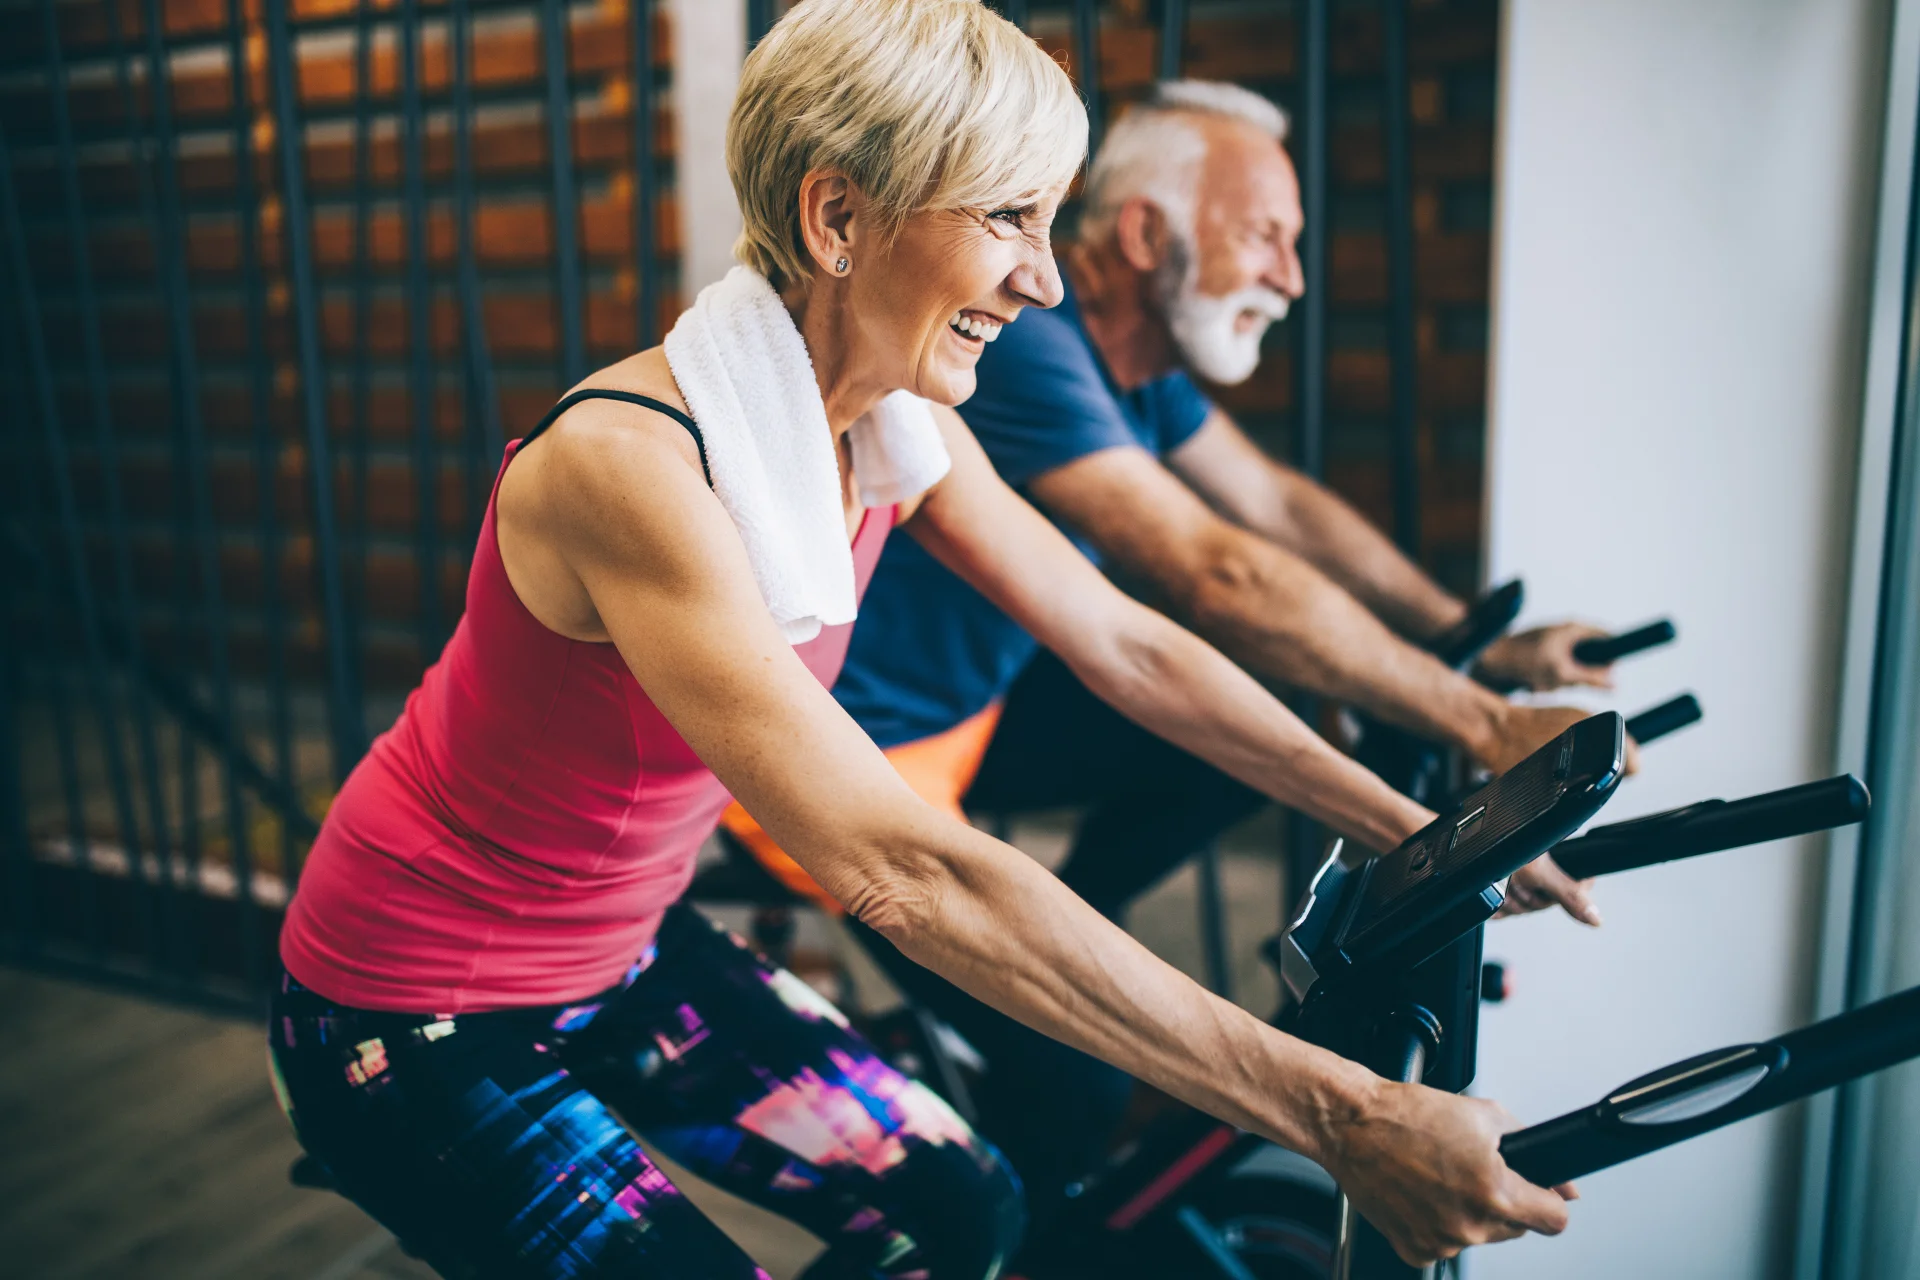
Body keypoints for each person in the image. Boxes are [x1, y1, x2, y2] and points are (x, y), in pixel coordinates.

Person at [269, 5, 1574, 1277]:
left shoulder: (892, 429)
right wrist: (1345, 1118)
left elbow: (1126, 644)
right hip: (410, 1006)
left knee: (965, 1214)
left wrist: (1422, 831)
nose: (1047, 277)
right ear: (838, 220)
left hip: (619, 947)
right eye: (1008, 216)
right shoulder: (632, 469)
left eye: (1047, 221)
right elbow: (906, 869)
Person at [722, 78, 1621, 1213]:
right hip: (847, 752)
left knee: (1244, 729)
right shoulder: (1022, 353)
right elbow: (1215, 569)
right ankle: (1040, 1163)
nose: (1292, 277)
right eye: (1265, 237)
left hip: (967, 710)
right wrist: (1482, 720)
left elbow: (1260, 522)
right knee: (1086, 1078)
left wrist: (1463, 674)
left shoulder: (1109, 377)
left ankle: (1059, 949)